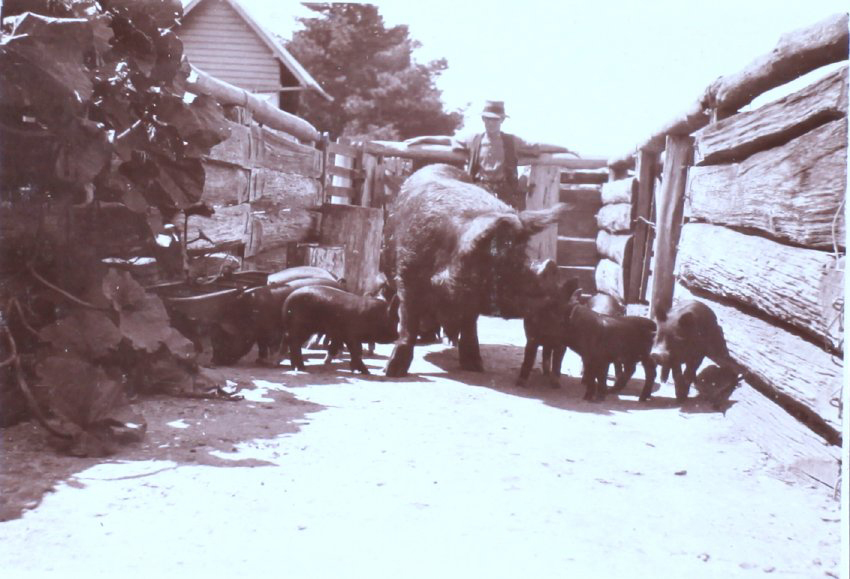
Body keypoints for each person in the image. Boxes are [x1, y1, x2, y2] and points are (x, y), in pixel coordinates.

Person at [404, 100, 580, 210]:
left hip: (504, 191)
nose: (490, 123)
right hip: (479, 189)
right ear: (483, 120)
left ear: (502, 120)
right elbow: (446, 140)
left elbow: (538, 146)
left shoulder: (512, 141)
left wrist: (565, 149)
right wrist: (420, 139)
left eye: (495, 119)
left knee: (505, 230)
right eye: (487, 119)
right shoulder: (474, 139)